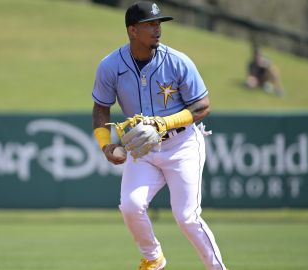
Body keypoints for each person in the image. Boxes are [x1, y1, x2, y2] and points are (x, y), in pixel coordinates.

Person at [91, 2, 228, 269]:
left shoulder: (177, 61)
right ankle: (153, 258)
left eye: (159, 23)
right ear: (132, 30)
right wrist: (106, 146)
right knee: (130, 206)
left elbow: (203, 106)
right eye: (150, 24)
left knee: (187, 217)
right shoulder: (110, 66)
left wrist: (163, 124)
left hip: (182, 143)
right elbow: (100, 107)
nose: (157, 29)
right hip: (143, 148)